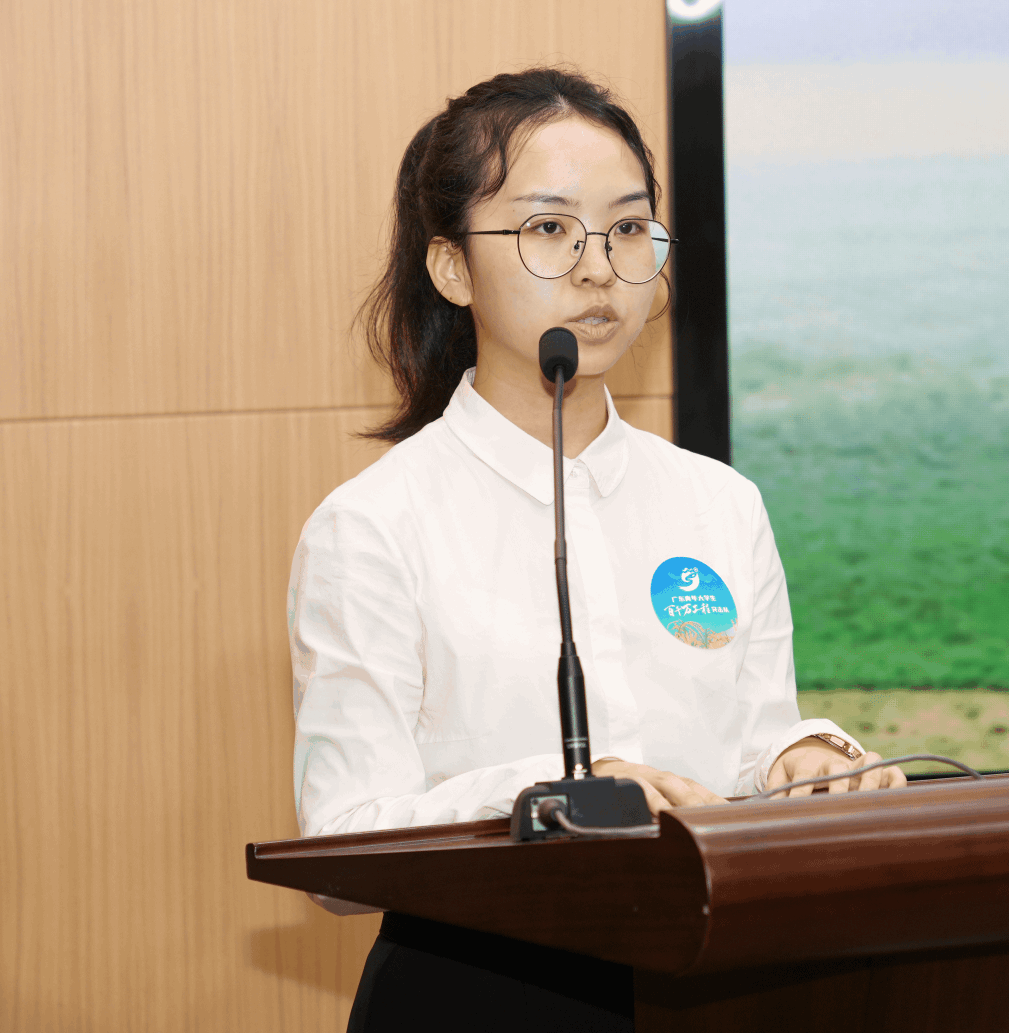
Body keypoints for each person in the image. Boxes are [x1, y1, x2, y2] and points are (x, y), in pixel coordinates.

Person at [288, 68, 902, 1031]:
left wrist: (800, 757)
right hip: (477, 991)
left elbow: (744, 744)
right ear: (452, 268)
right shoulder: (374, 525)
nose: (599, 268)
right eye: (548, 228)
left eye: (627, 228)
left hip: (710, 984)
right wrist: (547, 796)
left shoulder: (720, 502)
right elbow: (341, 844)